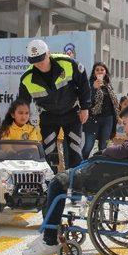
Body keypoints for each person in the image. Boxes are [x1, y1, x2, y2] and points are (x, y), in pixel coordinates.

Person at [20, 102, 128, 255]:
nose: (124, 128)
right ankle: (49, 233)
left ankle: (49, 239)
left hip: (102, 178)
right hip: (107, 176)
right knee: (57, 181)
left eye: (125, 124)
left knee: (56, 183)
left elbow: (121, 150)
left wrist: (104, 151)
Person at [17, 39, 91, 170]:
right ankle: (51, 184)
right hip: (48, 116)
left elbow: (84, 84)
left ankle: (74, 183)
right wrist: (22, 122)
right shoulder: (26, 78)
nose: (39, 64)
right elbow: (23, 103)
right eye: (35, 62)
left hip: (71, 112)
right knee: (48, 151)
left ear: (48, 53)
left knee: (75, 149)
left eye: (41, 59)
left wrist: (85, 107)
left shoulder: (67, 63)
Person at [82, 62, 119, 159]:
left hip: (108, 119)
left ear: (105, 72)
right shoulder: (90, 85)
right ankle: (79, 166)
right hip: (92, 120)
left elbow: (113, 103)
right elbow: (87, 100)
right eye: (97, 70)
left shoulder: (108, 85)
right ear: (94, 73)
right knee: (88, 146)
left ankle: (99, 166)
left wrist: (117, 117)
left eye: (102, 69)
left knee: (103, 147)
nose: (100, 71)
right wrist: (93, 88)